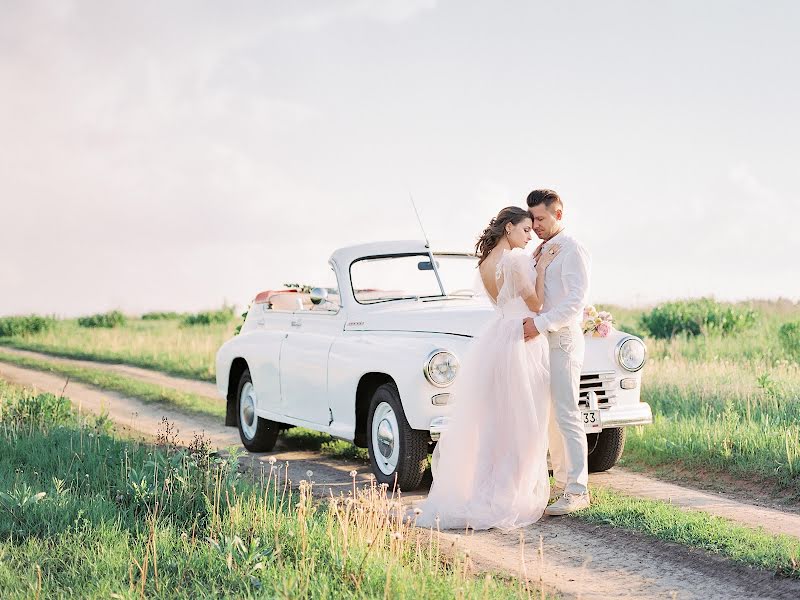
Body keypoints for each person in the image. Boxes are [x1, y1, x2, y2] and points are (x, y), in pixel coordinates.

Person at [415, 206, 560, 530]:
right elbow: (536, 305)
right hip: (521, 338)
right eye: (524, 230)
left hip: (497, 337)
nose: (529, 235)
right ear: (509, 228)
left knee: (496, 422)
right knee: (525, 420)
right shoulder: (517, 259)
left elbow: (503, 303)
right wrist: (545, 266)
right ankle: (510, 493)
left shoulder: (484, 263)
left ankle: (486, 487)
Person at [523, 189, 592, 515]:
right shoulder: (540, 251)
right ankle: (563, 484)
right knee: (550, 418)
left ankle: (578, 490)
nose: (535, 224)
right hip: (542, 342)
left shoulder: (573, 249)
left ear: (558, 214)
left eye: (541, 218)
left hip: (562, 339)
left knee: (567, 413)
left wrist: (541, 323)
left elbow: (575, 301)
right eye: (532, 218)